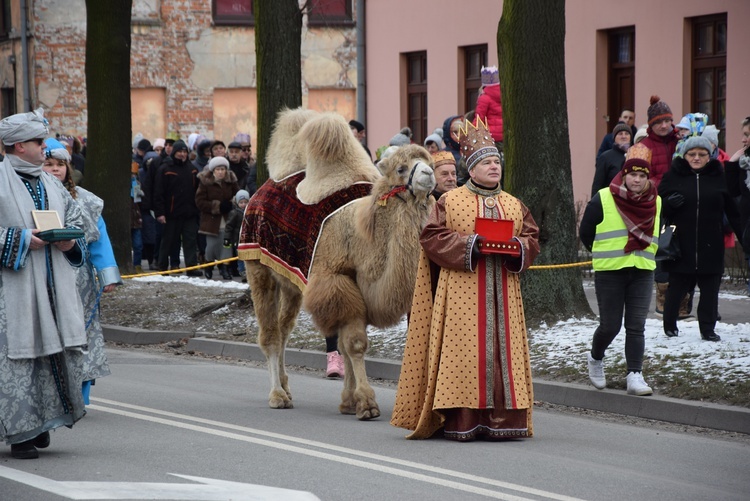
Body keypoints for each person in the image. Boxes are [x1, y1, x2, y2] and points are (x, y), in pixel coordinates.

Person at [391, 117, 540, 441]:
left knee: (503, 356)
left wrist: (518, 247)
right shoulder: (450, 201)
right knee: (463, 355)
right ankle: (462, 420)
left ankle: (504, 421)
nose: (494, 167)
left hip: (504, 294)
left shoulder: (513, 204)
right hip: (461, 295)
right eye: (486, 162)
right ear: (471, 169)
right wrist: (470, 244)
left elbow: (531, 238)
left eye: (496, 161)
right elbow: (431, 238)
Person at [0, 109, 87, 459]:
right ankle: (21, 431)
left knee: (51, 353)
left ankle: (45, 422)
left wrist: (69, 242)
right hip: (12, 290)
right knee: (18, 361)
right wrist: (19, 240)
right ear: (19, 146)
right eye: (38, 142)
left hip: (52, 284)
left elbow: (77, 221)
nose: (44, 148)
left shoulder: (50, 182)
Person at [42, 139, 121, 404]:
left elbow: (100, 240)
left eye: (60, 165)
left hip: (81, 280)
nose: (54, 170)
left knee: (83, 334)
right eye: (48, 164)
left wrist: (107, 274)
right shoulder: (30, 197)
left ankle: (82, 393)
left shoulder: (86, 200)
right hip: (44, 277)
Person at [580, 143, 659, 396]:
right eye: (632, 174)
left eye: (642, 175)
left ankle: (634, 375)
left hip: (642, 269)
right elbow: (586, 232)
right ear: (623, 175)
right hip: (610, 270)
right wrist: (603, 251)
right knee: (610, 326)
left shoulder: (656, 200)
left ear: (648, 178)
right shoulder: (604, 197)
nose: (637, 179)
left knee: (636, 326)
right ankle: (595, 358)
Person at [658, 136, 743, 341]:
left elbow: (733, 211)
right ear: (684, 156)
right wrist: (668, 204)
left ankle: (707, 328)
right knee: (676, 288)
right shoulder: (672, 177)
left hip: (711, 243)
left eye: (701, 154)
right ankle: (669, 325)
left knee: (710, 290)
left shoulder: (718, 177)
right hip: (680, 243)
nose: (696, 158)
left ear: (709, 156)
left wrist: (743, 237)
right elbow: (658, 207)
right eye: (692, 154)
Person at [639, 95, 680, 315]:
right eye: (658, 122)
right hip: (657, 204)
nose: (664, 126)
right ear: (651, 125)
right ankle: (662, 298)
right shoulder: (643, 147)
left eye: (667, 121)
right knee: (662, 249)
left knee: (682, 251)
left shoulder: (681, 141)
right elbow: (639, 177)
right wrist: (664, 187)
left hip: (682, 203)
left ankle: (682, 300)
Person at [153, 139, 202, 276]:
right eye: (179, 151)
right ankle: (162, 267)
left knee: (190, 241)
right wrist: (160, 213)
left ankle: (191, 267)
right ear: (174, 152)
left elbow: (197, 191)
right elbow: (158, 193)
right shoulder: (165, 169)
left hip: (189, 213)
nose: (182, 154)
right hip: (171, 214)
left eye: (184, 151)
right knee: (167, 241)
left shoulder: (192, 169)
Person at [195, 156, 239, 280]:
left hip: (227, 219)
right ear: (213, 170)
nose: (220, 172)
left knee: (226, 245)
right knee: (211, 247)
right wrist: (217, 206)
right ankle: (208, 267)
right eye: (218, 169)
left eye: (223, 169)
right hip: (211, 220)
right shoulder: (205, 182)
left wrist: (231, 203)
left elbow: (239, 195)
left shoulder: (231, 180)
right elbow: (199, 201)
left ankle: (225, 269)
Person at [725, 116, 750, 296]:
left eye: (747, 135)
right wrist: (732, 163)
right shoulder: (744, 163)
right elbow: (733, 191)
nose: (743, 139)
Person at [591, 123, 632, 196]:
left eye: (626, 134)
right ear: (614, 138)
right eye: (620, 134)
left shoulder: (634, 155)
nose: (624, 136)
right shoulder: (606, 157)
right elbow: (598, 184)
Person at [474, 65, 504, 149]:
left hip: (491, 137)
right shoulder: (505, 95)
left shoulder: (484, 97)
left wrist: (471, 132)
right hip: (505, 135)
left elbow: (479, 119)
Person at [224, 189, 250, 280]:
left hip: (247, 239)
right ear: (237, 203)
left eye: (245, 202)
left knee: (247, 256)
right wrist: (227, 238)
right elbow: (229, 227)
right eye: (241, 202)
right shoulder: (234, 213)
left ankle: (247, 271)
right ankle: (242, 272)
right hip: (237, 239)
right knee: (240, 257)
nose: (243, 204)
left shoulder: (249, 213)